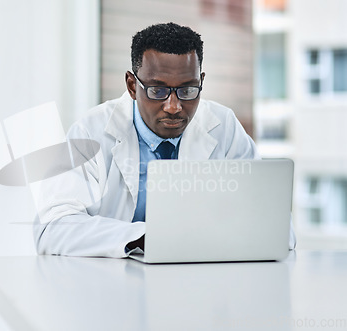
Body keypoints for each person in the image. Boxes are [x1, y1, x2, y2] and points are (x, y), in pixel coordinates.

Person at [32, 22, 295, 258]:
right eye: (157, 90)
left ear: (201, 82)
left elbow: (277, 228)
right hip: (111, 291)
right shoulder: (91, 132)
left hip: (202, 290)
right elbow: (53, 227)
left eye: (187, 90)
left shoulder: (223, 127)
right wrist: (145, 238)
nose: (173, 106)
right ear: (132, 86)